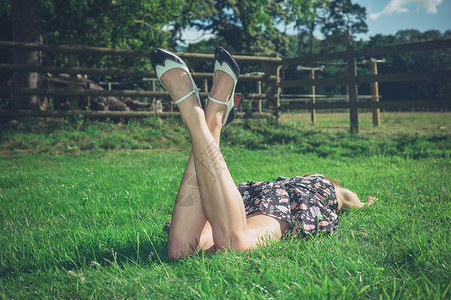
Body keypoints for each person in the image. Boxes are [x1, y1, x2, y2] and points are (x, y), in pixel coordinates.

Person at [150, 47, 376, 260]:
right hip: (275, 202)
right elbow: (352, 201)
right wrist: (368, 202)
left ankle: (206, 117)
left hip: (245, 197)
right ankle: (210, 115)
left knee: (180, 251)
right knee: (234, 244)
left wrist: (365, 202)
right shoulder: (325, 187)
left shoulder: (306, 186)